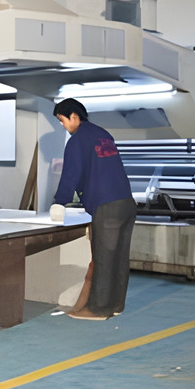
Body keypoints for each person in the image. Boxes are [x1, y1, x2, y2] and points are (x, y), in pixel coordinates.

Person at [52, 97, 137, 320]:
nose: (62, 125)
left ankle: (98, 309)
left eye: (62, 120)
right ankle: (116, 304)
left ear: (74, 116)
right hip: (126, 203)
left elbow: (71, 174)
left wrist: (59, 201)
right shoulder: (103, 134)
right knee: (119, 258)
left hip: (107, 206)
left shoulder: (77, 140)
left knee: (103, 258)